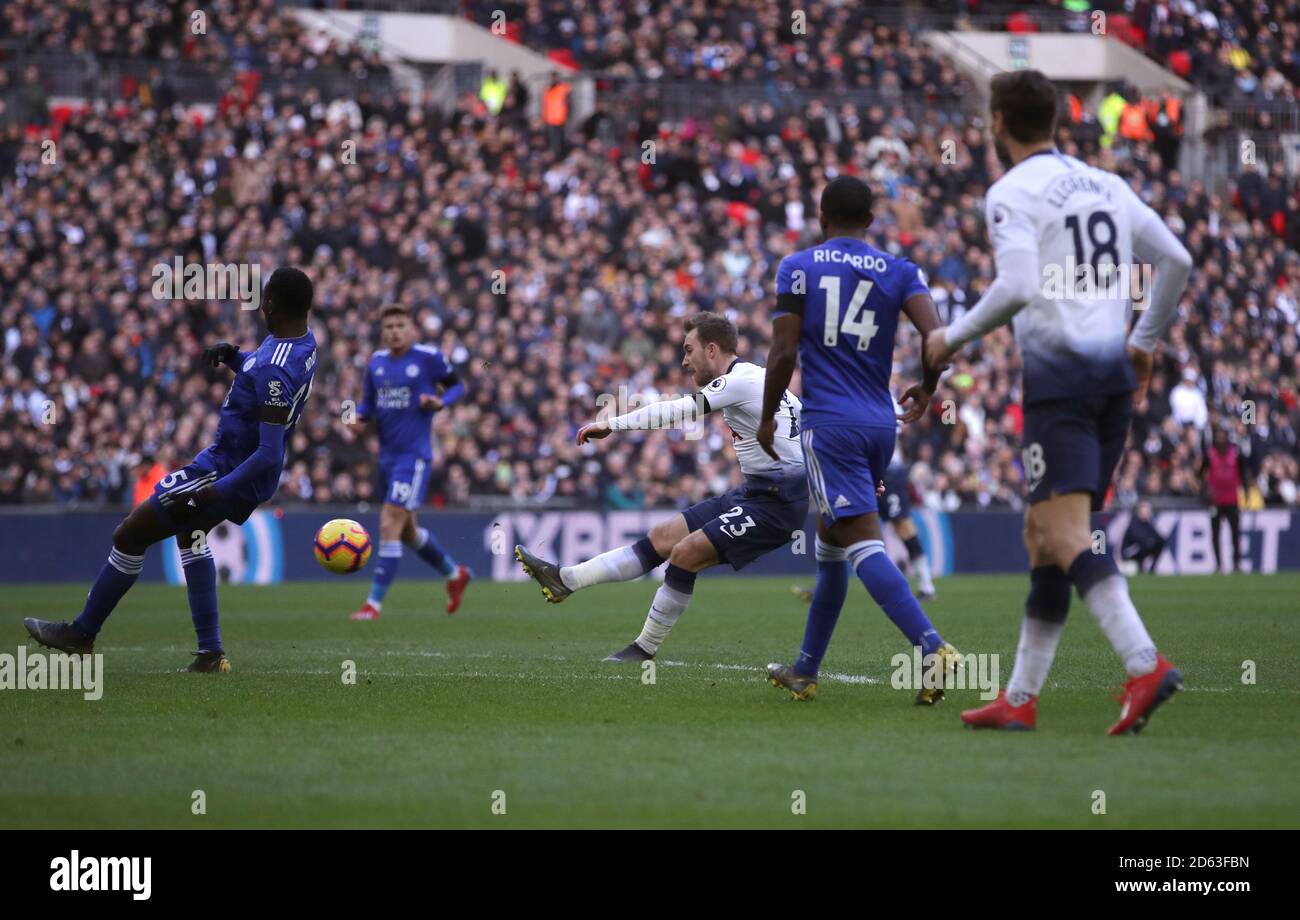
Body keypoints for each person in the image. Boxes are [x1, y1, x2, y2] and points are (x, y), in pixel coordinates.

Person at [923, 69, 1193, 733]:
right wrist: (1146, 339)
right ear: (1055, 120)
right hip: (1112, 383)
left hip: (1061, 387)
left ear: (996, 124)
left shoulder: (1011, 191)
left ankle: (1144, 663)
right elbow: (1178, 260)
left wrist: (946, 339)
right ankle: (1019, 698)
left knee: (1066, 533)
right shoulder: (1108, 183)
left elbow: (1015, 286)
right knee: (1042, 536)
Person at [23, 268, 318, 672]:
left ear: (269, 305)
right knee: (190, 533)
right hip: (227, 463)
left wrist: (220, 488)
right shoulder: (300, 342)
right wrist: (236, 357)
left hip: (226, 468)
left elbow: (269, 451)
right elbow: (264, 374)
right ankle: (210, 654)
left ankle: (82, 633)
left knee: (129, 533)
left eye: (262, 299)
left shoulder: (276, 369)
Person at [757, 175, 960, 705]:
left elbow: (781, 355)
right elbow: (937, 339)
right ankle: (805, 669)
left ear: (821, 218)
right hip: (880, 424)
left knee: (863, 542)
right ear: (872, 221)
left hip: (829, 426)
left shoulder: (798, 267)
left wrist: (765, 417)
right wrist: (929, 387)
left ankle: (932, 648)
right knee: (830, 546)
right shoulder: (900, 270)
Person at [515, 312, 807, 662]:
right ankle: (567, 579)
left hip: (777, 504)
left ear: (712, 349)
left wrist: (614, 424)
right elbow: (810, 437)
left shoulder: (740, 381)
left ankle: (644, 649)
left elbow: (679, 411)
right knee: (664, 537)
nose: (684, 361)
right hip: (757, 492)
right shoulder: (759, 380)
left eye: (689, 350)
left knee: (684, 554)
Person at [350, 305, 470, 620]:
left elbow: (458, 385)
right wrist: (358, 418)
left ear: (411, 328)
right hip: (386, 458)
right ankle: (455, 574)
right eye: (388, 326)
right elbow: (368, 404)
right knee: (407, 533)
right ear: (382, 331)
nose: (394, 331)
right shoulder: (376, 363)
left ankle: (372, 604)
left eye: (400, 325)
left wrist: (440, 402)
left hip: (413, 457)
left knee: (390, 521)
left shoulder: (428, 358)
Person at [1203, 425, 1246, 573]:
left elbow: (1243, 472)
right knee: (1216, 533)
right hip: (1215, 500)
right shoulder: (1209, 454)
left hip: (1232, 499)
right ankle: (1219, 564)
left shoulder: (1235, 453)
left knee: (1235, 533)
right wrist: (1205, 489)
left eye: (1222, 435)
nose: (1220, 438)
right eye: (1218, 435)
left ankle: (1236, 563)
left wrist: (1244, 491)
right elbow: (1201, 472)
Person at [1120, 501, 1167, 573]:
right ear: (1139, 511)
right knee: (1144, 544)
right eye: (1145, 511)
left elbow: (1159, 537)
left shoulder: (1148, 524)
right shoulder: (1134, 522)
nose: (1147, 513)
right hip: (1129, 551)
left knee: (1159, 544)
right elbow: (1138, 538)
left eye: (1148, 512)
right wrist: (1150, 540)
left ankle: (1152, 568)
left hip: (1141, 549)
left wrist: (1154, 540)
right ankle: (1140, 566)